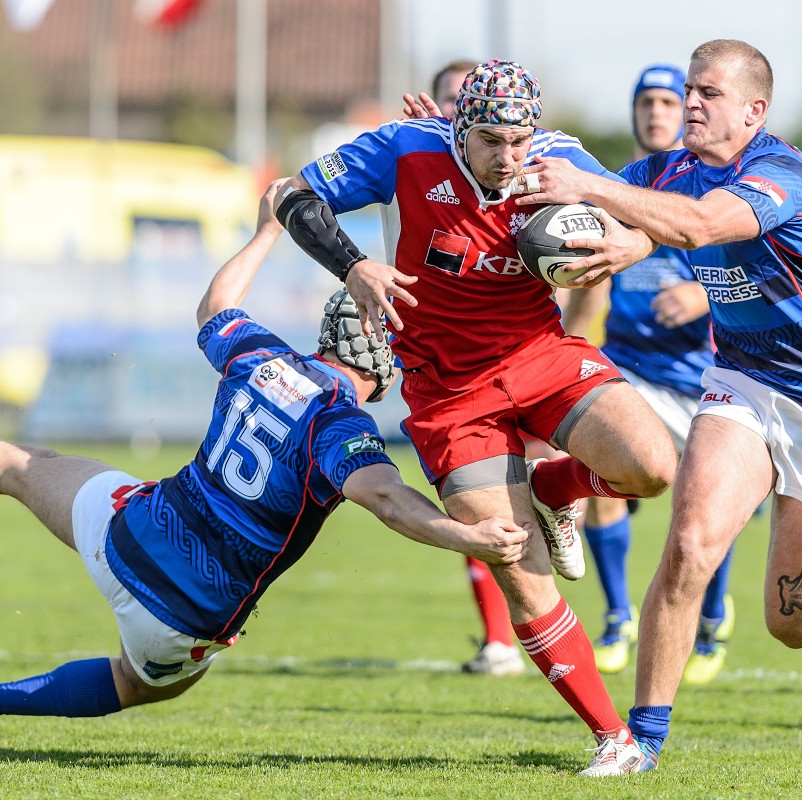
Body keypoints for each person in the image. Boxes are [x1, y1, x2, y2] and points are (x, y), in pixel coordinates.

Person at [0, 180, 533, 727]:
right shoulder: (340, 425)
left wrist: (267, 230)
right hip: (184, 617)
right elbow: (386, 498)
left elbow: (214, 306)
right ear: (388, 362)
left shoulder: (262, 358)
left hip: (130, 532)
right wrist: (468, 537)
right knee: (137, 685)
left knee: (20, 467)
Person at [275, 59, 679, 776]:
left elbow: (658, 213)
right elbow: (290, 194)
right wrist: (354, 266)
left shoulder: (560, 162)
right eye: (491, 140)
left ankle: (552, 487)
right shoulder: (405, 149)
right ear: (459, 128)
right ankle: (614, 739)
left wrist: (631, 242)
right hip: (447, 391)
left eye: (520, 141)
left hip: (541, 354)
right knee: (517, 564)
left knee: (653, 467)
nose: (508, 157)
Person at [516, 39, 802, 773]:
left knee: (793, 626)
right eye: (690, 89)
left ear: (754, 110)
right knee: (689, 545)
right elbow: (599, 193)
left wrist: (606, 203)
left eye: (708, 93)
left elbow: (697, 225)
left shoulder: (780, 174)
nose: (691, 102)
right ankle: (639, 742)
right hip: (740, 381)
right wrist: (452, 135)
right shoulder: (670, 168)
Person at [559, 64, 737, 685]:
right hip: (629, 367)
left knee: (706, 505)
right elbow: (588, 281)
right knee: (596, 466)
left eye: (669, 100)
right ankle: (616, 616)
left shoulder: (712, 189)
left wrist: (703, 294)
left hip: (704, 375)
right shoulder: (614, 189)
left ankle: (712, 616)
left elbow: (758, 269)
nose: (659, 112)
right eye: (648, 102)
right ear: (634, 112)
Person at [409, 59, 531, 677]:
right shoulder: (411, 165)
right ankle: (500, 640)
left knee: (586, 479)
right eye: (452, 106)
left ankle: (619, 615)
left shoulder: (535, 170)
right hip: (448, 368)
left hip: (529, 354)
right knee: (478, 502)